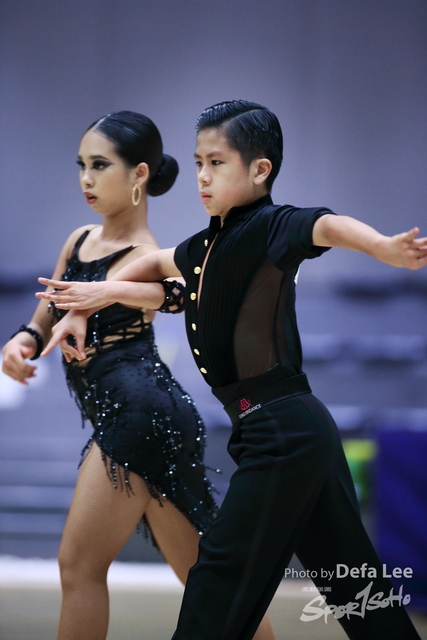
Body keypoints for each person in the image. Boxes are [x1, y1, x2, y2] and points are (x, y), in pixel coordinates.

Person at [36, 101, 427, 640]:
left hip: (282, 432)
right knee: (357, 593)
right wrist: (89, 302)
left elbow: (326, 225)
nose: (202, 175)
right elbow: (152, 265)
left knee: (216, 586)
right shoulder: (202, 247)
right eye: (198, 162)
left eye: (216, 163)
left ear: (260, 169)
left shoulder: (273, 226)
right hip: (289, 429)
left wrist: (382, 246)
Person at [1, 109, 275, 640]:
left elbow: (174, 295)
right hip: (151, 418)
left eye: (100, 165)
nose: (85, 178)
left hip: (140, 416)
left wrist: (109, 292)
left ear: (139, 174)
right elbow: (43, 317)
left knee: (78, 566)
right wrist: (22, 342)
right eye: (81, 165)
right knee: (208, 578)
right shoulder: (79, 240)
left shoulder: (149, 255)